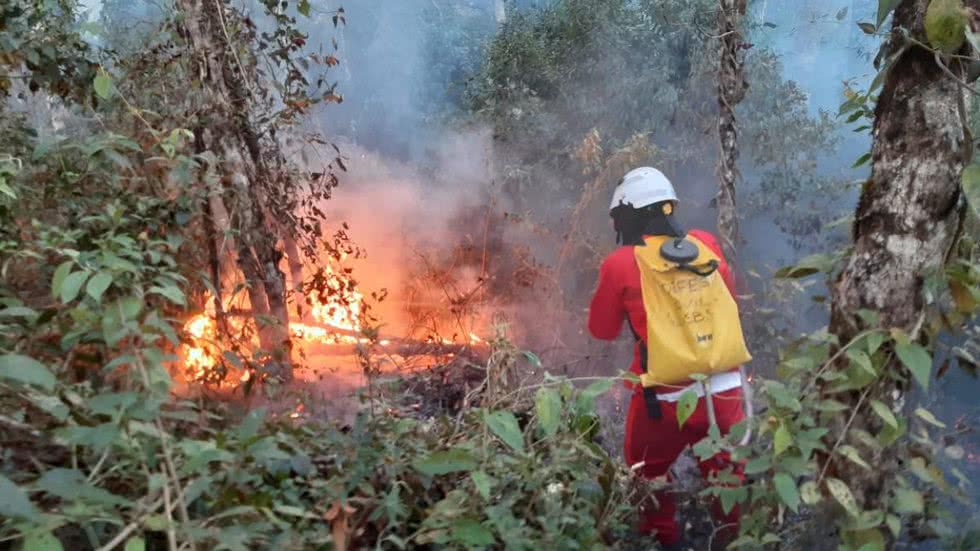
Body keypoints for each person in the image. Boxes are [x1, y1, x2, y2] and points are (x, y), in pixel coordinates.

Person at [587, 166, 747, 549]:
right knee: (728, 484)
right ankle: (736, 541)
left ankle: (661, 540)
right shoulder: (706, 243)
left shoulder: (621, 263)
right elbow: (728, 298)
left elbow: (602, 330)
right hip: (726, 393)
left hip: (663, 401)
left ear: (626, 216)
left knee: (648, 476)